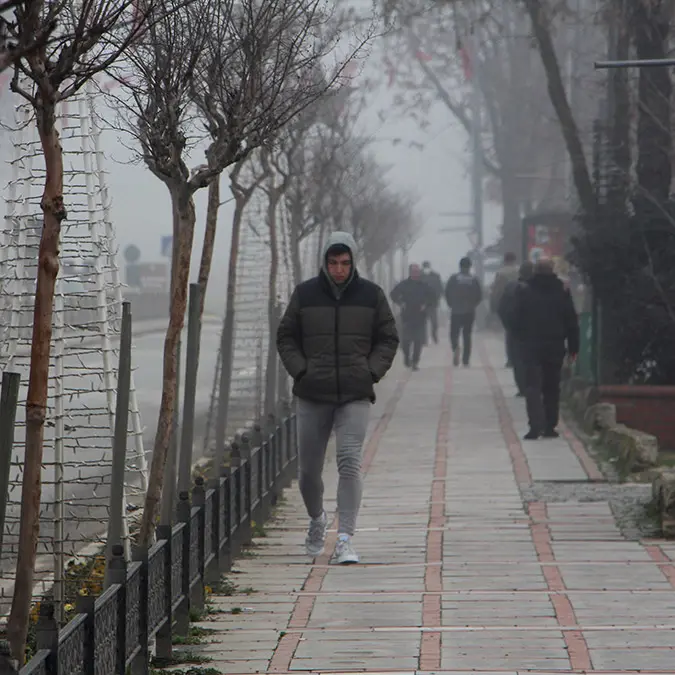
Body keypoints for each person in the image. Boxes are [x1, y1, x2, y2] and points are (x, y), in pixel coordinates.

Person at [276, 231, 399, 564]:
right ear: (325, 263)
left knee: (348, 461)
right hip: (313, 393)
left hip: (354, 394)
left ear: (353, 262)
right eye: (333, 263)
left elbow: (388, 337)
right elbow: (286, 336)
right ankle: (317, 520)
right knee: (308, 472)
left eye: (345, 263)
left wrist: (370, 371)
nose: (339, 269)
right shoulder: (305, 294)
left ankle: (345, 538)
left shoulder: (371, 296)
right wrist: (301, 370)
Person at [511, 258, 579, 440]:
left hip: (531, 346)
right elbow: (571, 321)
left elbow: (515, 319)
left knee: (532, 386)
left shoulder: (524, 290)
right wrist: (574, 348)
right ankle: (550, 426)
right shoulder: (562, 290)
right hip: (555, 345)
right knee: (552, 386)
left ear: (535, 270)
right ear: (552, 270)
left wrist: (519, 341)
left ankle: (535, 426)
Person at [497, 260, 534, 397]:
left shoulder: (511, 287)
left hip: (515, 330)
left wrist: (508, 326)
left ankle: (522, 388)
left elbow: (501, 308)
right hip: (536, 331)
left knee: (518, 360)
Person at [390, 264, 435, 370]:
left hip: (420, 316)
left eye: (417, 271)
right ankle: (406, 357)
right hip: (407, 316)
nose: (416, 273)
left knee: (418, 341)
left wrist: (426, 305)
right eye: (414, 271)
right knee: (406, 340)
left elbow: (432, 297)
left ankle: (415, 362)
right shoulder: (404, 284)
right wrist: (400, 303)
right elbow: (393, 294)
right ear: (410, 272)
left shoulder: (424, 285)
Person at [445, 256, 482, 367]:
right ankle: (466, 359)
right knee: (467, 335)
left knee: (454, 333)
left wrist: (451, 304)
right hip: (469, 311)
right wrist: (473, 305)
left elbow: (447, 292)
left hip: (456, 310)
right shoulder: (474, 280)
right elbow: (479, 295)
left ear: (460, 266)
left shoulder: (453, 279)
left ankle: (455, 346)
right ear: (470, 266)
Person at [491, 252, 520, 366]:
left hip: (506, 305)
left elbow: (496, 291)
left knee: (509, 333)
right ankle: (519, 357)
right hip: (521, 303)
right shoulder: (519, 271)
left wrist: (494, 307)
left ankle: (510, 359)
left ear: (505, 260)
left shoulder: (500, 273)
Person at [421, 261, 443, 344]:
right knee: (423, 323)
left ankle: (434, 335)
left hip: (433, 303)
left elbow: (440, 288)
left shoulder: (435, 276)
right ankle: (424, 340)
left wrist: (438, 297)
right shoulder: (419, 276)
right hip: (422, 303)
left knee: (434, 322)